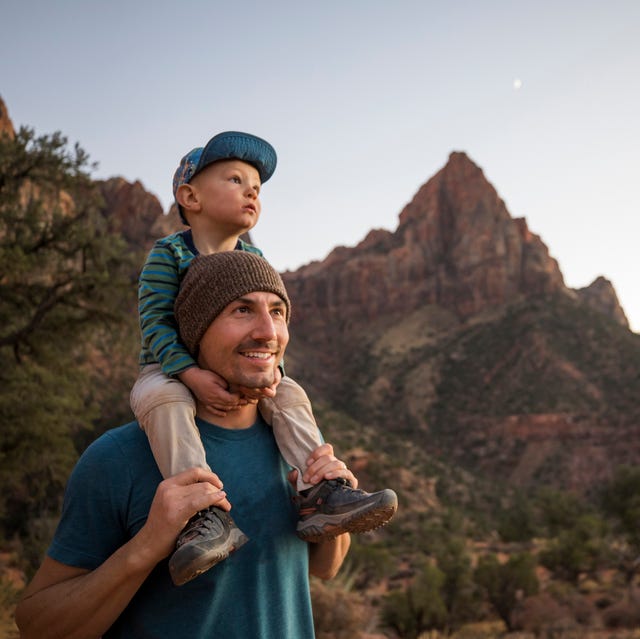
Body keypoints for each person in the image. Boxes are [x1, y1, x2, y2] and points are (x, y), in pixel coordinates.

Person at [15, 251, 394, 639]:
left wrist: (327, 513)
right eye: (243, 310)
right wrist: (147, 545)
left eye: (278, 311)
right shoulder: (119, 458)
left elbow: (324, 568)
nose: (268, 331)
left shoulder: (293, 443)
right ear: (196, 329)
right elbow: (36, 625)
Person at [129, 131, 397, 585]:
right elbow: (154, 321)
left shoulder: (254, 258)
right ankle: (204, 516)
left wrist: (271, 377)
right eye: (235, 179)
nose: (252, 190)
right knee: (162, 400)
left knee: (289, 392)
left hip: (244, 372)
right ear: (189, 196)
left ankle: (320, 491)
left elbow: (265, 339)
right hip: (170, 369)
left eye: (256, 184)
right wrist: (190, 373)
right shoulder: (169, 253)